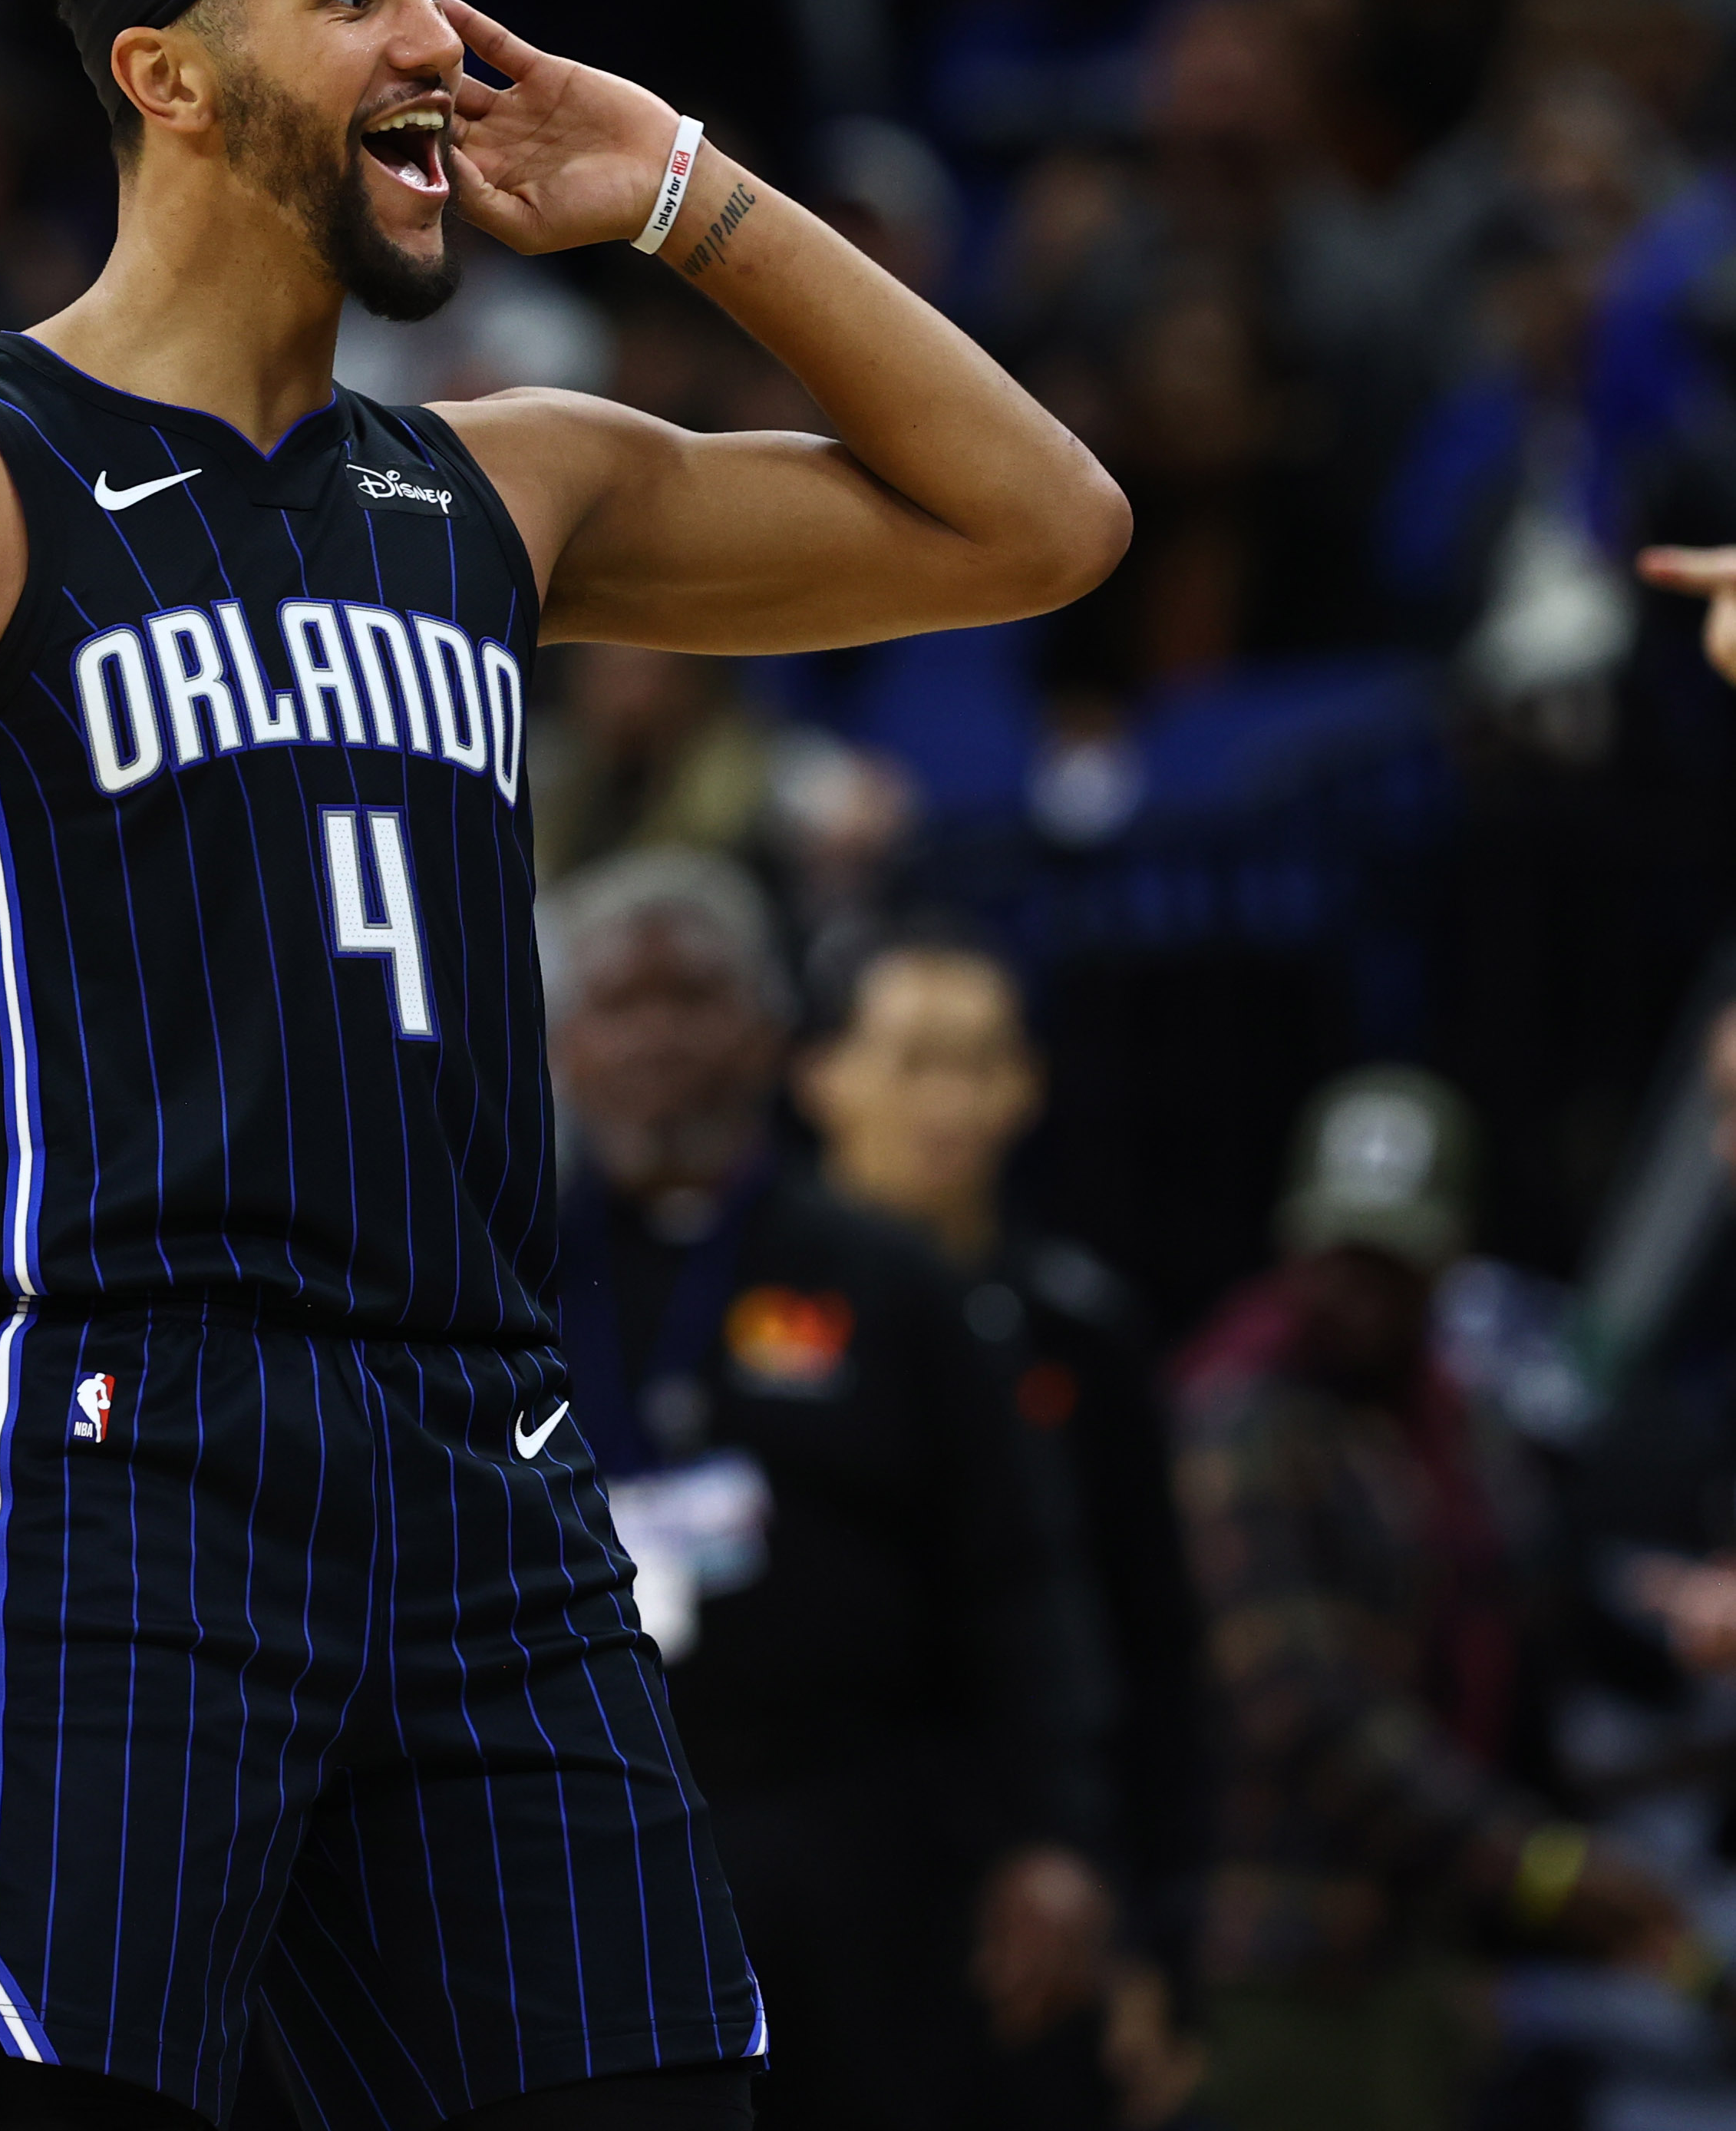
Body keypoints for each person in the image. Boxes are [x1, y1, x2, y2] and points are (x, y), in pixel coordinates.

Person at [0, 0, 1127, 2131]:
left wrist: (674, 185)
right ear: (165, 74)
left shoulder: (494, 487)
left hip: (482, 1460)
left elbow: (1040, 523)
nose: (439, 42)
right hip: (116, 1457)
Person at [547, 854, 1104, 2131]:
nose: (657, 1040)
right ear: (567, 1042)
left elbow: (1014, 1575)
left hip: (864, 1844)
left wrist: (1052, 1835)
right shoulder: (503, 1276)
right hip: (593, 1841)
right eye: (621, 1006)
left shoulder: (887, 1274)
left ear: (764, 1035)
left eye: (692, 1000)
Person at [1175, 1069, 1691, 2131]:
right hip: (1286, 1960)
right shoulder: (1240, 1422)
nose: (1355, 1292)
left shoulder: (1452, 1432)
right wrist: (1534, 1866)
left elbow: (1519, 1655)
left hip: (1422, 1951)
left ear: (1448, 1259)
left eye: (1391, 1261)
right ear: (1290, 1246)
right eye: (1338, 1257)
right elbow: (1308, 1705)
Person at [791, 920, 1206, 2125]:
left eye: (978, 1062)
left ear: (1028, 1088)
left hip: (1032, 1916)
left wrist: (1157, 1943)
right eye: (914, 1059)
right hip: (794, 1901)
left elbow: (1157, 1653)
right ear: (820, 1075)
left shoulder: (1082, 1331)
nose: (948, 1099)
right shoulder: (741, 1299)